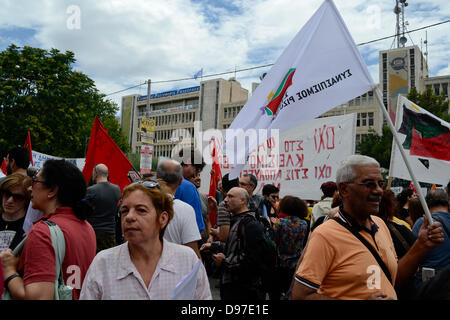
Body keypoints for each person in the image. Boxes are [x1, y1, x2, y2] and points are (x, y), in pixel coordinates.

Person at [291, 155, 444, 300]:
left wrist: (421, 245)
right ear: (344, 189)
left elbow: (393, 280)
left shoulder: (380, 224)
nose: (378, 191)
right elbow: (300, 295)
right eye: (369, 184)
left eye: (380, 184)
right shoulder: (324, 235)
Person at [80, 180, 211, 300]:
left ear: (163, 219)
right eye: (125, 210)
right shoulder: (103, 264)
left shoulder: (188, 261)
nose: (129, 217)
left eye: (141, 210)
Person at [0, 159, 96, 300]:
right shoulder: (87, 227)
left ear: (52, 191)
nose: (29, 188)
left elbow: (38, 296)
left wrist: (9, 270)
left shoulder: (42, 232)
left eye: (35, 181)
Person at [200, 187, 266, 300]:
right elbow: (235, 246)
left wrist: (225, 262)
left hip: (243, 289)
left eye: (230, 196)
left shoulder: (250, 224)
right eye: (226, 196)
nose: (225, 200)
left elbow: (251, 260)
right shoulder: (237, 220)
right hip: (233, 285)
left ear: (243, 200)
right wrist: (214, 246)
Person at [156, 159, 202, 258]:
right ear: (180, 180)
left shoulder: (142, 205)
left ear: (157, 177)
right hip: (178, 264)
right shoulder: (186, 209)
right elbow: (193, 247)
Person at [272, 195, 308, 298]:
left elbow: (274, 241)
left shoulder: (280, 223)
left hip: (280, 262)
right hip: (296, 263)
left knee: (277, 291)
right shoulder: (303, 223)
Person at [412, 189, 450, 275]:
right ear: (448, 205)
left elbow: (411, 253)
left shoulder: (422, 224)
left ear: (427, 206)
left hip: (430, 282)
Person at [85, 163, 121, 253]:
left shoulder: (90, 190)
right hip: (111, 232)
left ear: (95, 174)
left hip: (94, 232)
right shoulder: (117, 189)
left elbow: (82, 209)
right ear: (107, 174)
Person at [173, 147, 205, 234]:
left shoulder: (157, 182)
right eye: (196, 169)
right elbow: (197, 226)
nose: (195, 175)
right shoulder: (188, 187)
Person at [0, 173, 31, 251]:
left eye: (17, 197)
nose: (10, 200)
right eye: (7, 194)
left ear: (26, 200)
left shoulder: (30, 227)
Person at [208, 173, 239, 243]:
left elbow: (224, 237)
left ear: (222, 189)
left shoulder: (225, 204)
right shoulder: (245, 200)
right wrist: (216, 210)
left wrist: (215, 232)